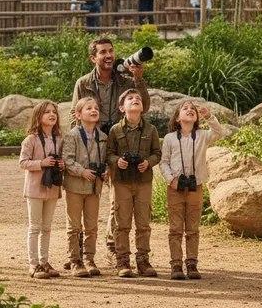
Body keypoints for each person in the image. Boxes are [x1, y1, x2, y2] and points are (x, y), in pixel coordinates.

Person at [71, 38, 151, 262]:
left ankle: (113, 247)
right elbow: (74, 114)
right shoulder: (83, 83)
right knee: (84, 198)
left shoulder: (125, 82)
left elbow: (143, 106)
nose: (108, 55)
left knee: (117, 200)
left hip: (118, 146)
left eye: (111, 51)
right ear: (93, 58)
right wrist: (80, 141)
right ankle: (78, 251)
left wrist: (139, 79)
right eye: (103, 52)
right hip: (91, 144)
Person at [160, 100, 223, 280]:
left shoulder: (202, 135)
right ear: (177, 118)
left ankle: (192, 263)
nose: (190, 110)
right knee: (175, 227)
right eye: (185, 108)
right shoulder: (170, 138)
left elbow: (218, 132)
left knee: (193, 227)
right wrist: (170, 179)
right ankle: (176, 264)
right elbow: (164, 162)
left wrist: (209, 116)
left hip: (196, 186)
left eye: (193, 109)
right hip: (175, 187)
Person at [107, 89, 161, 278]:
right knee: (122, 223)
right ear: (122, 108)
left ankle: (143, 260)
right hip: (121, 182)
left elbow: (157, 153)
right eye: (130, 99)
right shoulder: (115, 130)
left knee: (143, 222)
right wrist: (116, 161)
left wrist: (148, 162)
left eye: (138, 98)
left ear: (143, 107)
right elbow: (109, 153)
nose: (135, 100)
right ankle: (122, 261)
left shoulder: (151, 130)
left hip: (143, 181)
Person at [62, 97, 108, 277]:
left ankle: (89, 259)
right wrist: (82, 171)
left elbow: (105, 160)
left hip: (94, 188)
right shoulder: (72, 136)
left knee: (92, 226)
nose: (93, 110)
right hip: (75, 186)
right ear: (79, 114)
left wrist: (106, 172)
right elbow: (67, 160)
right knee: (74, 226)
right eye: (89, 108)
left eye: (96, 108)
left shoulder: (103, 137)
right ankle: (75, 260)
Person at [19, 100, 65, 279]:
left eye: (54, 112)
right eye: (47, 112)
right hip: (35, 189)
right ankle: (33, 264)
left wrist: (61, 164)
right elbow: (22, 163)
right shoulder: (30, 139)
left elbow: (63, 161)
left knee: (47, 227)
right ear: (39, 116)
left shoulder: (59, 140)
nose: (52, 114)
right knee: (35, 227)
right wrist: (41, 163)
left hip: (52, 188)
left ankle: (45, 262)